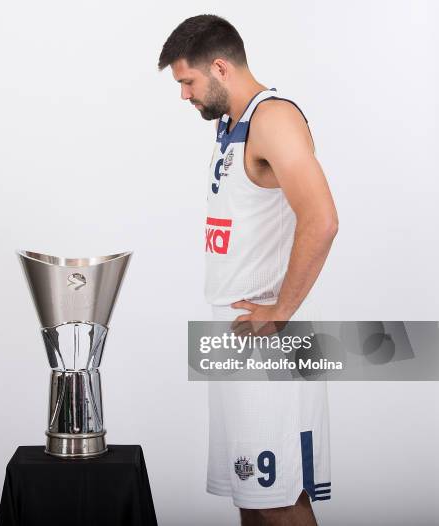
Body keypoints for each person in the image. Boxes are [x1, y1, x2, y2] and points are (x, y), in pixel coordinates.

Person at [158, 15, 338, 526]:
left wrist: (281, 312)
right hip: (237, 332)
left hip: (271, 340)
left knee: (280, 501)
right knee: (253, 499)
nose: (185, 95)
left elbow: (322, 220)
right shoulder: (229, 122)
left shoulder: (273, 119)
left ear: (220, 67)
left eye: (188, 82)